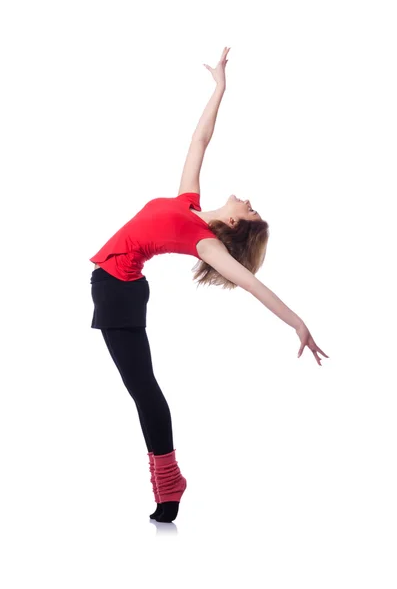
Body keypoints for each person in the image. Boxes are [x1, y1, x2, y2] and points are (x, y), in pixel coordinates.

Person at [89, 47, 329, 524]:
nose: (250, 201)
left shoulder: (205, 244)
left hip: (117, 291)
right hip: (119, 288)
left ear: (239, 224)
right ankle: (169, 479)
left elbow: (253, 286)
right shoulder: (189, 203)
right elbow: (200, 140)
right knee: (143, 389)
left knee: (144, 391)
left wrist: (298, 322)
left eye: (253, 210)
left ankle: (168, 479)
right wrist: (219, 88)